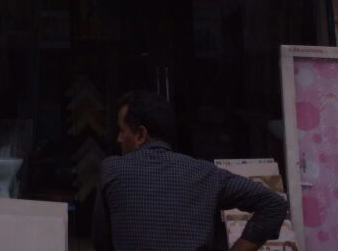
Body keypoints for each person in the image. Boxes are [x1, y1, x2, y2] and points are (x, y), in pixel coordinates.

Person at [92, 91, 288, 251]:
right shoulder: (206, 174)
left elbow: (101, 241)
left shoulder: (112, 169)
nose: (118, 139)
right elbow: (273, 204)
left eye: (122, 130)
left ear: (141, 134)